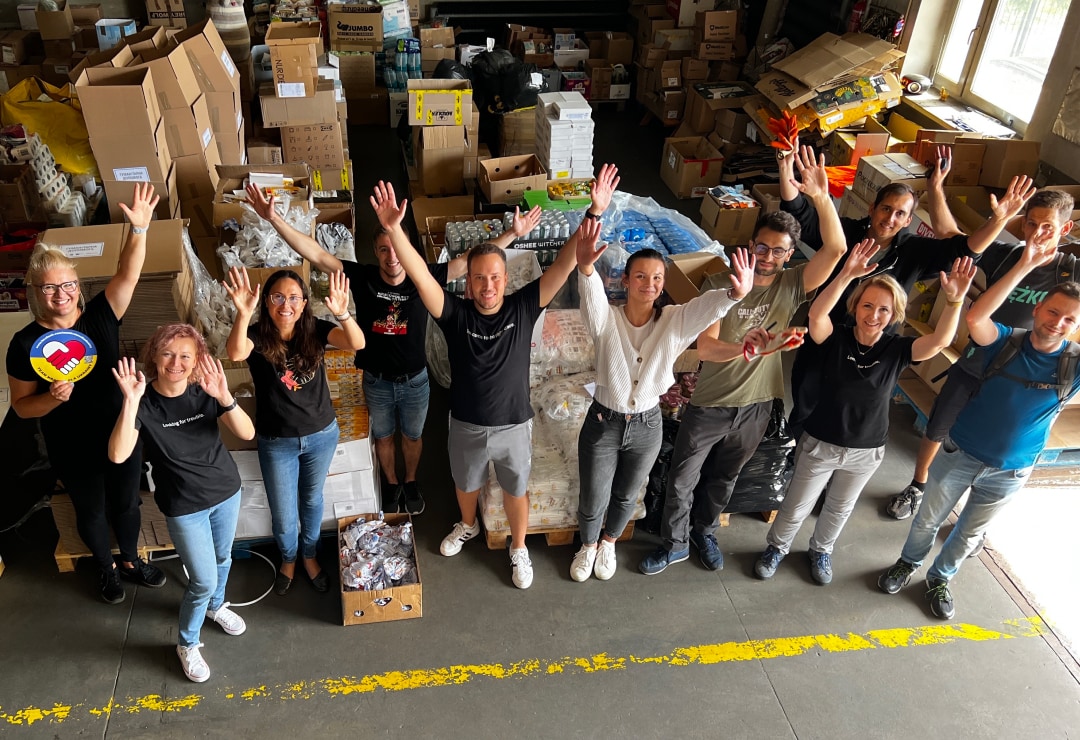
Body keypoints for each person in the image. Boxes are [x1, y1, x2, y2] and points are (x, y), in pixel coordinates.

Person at [369, 164, 619, 589]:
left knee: (515, 489)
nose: (487, 286)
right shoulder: (453, 314)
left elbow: (562, 263)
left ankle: (518, 549)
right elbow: (419, 275)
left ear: (506, 279)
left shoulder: (523, 307)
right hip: (465, 424)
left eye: (495, 278)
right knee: (465, 484)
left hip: (513, 424)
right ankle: (467, 525)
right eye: (479, 278)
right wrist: (395, 233)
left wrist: (593, 213)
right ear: (467, 282)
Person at [245, 184, 541, 515]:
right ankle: (390, 482)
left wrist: (511, 236)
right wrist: (274, 219)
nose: (392, 256)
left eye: (396, 248)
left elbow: (468, 264)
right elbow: (315, 254)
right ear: (376, 253)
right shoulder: (362, 277)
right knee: (384, 438)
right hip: (377, 379)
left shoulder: (423, 277)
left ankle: (411, 481)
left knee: (413, 438)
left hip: (416, 379)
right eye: (383, 250)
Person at [639, 147, 847, 576]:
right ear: (749, 246)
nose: (767, 257)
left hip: (756, 406)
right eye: (761, 248)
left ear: (790, 255)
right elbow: (707, 348)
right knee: (682, 478)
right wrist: (746, 348)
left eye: (777, 251)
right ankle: (674, 543)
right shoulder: (720, 283)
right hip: (711, 402)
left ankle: (704, 532)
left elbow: (836, 247)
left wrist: (822, 199)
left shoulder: (793, 285)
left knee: (724, 479)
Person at [877, 240, 1080, 620]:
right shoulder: (1004, 340)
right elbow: (975, 319)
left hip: (1011, 471)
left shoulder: (1074, 364)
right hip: (960, 454)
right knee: (928, 519)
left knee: (969, 534)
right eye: (1053, 312)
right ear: (1038, 308)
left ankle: (940, 578)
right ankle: (907, 563)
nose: (1058, 322)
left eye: (1069, 319)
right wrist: (1023, 265)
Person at [753, 243, 976, 584]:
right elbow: (816, 316)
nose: (874, 315)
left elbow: (941, 340)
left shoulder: (897, 350)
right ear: (855, 307)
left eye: (884, 310)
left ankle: (821, 550)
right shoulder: (834, 338)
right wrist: (846, 274)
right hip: (820, 443)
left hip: (866, 450)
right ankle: (777, 548)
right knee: (797, 504)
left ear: (894, 314)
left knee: (840, 508)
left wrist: (955, 300)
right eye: (867, 306)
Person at [780, 141, 1034, 440]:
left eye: (900, 214)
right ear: (872, 208)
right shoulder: (844, 232)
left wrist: (999, 219)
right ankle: (796, 457)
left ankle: (836, 465)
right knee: (806, 399)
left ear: (908, 220)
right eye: (886, 209)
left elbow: (965, 249)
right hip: (827, 336)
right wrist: (785, 169)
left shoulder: (914, 251)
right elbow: (800, 215)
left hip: (876, 347)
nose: (890, 218)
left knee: (855, 409)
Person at [5, 183, 166, 604]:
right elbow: (22, 408)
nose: (62, 295)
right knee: (91, 510)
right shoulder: (24, 344)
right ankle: (106, 568)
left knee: (128, 503)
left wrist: (140, 230)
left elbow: (129, 273)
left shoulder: (100, 314)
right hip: (71, 443)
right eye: (50, 288)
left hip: (121, 429)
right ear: (35, 292)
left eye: (68, 285)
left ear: (79, 285)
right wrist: (52, 399)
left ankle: (130, 560)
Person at [887, 183, 1077, 520]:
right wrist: (936, 188)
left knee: (1003, 443)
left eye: (1047, 226)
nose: (1037, 233)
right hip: (979, 359)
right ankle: (918, 485)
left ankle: (975, 511)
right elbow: (950, 234)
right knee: (939, 424)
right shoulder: (1006, 254)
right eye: (1031, 223)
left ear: (1065, 228)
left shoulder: (1072, 270)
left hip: (1030, 376)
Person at [571, 244, 756, 582]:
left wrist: (734, 294)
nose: (650, 283)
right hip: (604, 421)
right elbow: (592, 298)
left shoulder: (674, 321)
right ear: (625, 280)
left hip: (647, 424)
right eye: (640, 276)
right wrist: (585, 270)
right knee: (594, 494)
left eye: (657, 277)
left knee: (627, 492)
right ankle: (588, 545)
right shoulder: (606, 319)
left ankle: (610, 541)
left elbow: (705, 308)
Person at [108, 324, 255, 683]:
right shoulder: (143, 402)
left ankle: (217, 606)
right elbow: (117, 454)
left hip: (225, 491)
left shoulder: (205, 392)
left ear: (196, 361)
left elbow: (248, 433)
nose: (176, 362)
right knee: (202, 580)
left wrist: (224, 397)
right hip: (184, 505)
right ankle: (187, 643)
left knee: (223, 559)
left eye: (185, 355)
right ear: (154, 357)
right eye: (168, 354)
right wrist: (130, 402)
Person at [225, 266, 365, 596]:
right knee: (284, 510)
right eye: (277, 297)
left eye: (293, 298)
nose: (285, 305)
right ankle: (288, 558)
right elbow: (235, 352)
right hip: (277, 441)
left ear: (303, 304)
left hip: (321, 434)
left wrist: (344, 314)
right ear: (266, 303)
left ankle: (310, 555)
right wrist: (242, 314)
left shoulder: (315, 330)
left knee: (312, 500)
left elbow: (356, 343)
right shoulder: (258, 335)